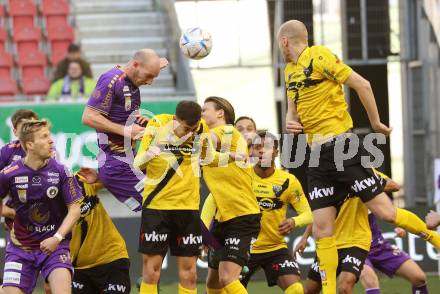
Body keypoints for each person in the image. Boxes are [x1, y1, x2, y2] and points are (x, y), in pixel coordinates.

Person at [278, 19, 440, 293]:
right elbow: (292, 113)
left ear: (284, 42)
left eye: (279, 45)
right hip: (316, 157)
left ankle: (434, 238)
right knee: (322, 230)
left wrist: (375, 123)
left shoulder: (320, 56)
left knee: (386, 212)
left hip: (342, 147)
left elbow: (362, 84)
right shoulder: (290, 72)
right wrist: (289, 122)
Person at [134, 100, 231, 294]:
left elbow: (209, 157)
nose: (190, 133)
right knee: (151, 271)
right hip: (157, 207)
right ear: (176, 119)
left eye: (193, 128)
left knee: (190, 274)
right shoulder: (157, 124)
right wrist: (149, 154)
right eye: (186, 128)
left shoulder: (200, 128)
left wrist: (234, 156)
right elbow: (137, 164)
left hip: (187, 209)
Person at [0, 120, 82, 294]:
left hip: (54, 246)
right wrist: (8, 213)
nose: (51, 140)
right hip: (20, 249)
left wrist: (57, 238)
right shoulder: (9, 174)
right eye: (44, 137)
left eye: (49, 135)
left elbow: (75, 209)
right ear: (30, 145)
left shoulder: (62, 171)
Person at [82, 48, 168, 212]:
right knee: (163, 207)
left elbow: (121, 114)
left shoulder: (133, 79)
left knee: (164, 208)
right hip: (117, 168)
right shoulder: (111, 80)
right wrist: (125, 130)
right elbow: (88, 117)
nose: (150, 82)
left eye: (154, 77)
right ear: (135, 65)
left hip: (131, 161)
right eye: (149, 76)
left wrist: (143, 125)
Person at [239, 131, 312, 293]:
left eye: (266, 147)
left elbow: (308, 214)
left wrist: (294, 221)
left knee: (296, 290)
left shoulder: (289, 181)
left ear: (276, 152)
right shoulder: (241, 177)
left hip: (275, 248)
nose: (261, 151)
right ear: (251, 151)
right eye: (257, 147)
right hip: (243, 249)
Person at [201, 96, 261, 294]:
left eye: (204, 110)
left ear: (220, 113)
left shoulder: (226, 130)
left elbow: (207, 142)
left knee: (227, 277)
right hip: (223, 218)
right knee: (213, 282)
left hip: (242, 216)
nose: (201, 114)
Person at [360, 171, 428, 294]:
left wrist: (398, 226)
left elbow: (394, 188)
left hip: (378, 245)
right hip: (354, 246)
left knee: (419, 277)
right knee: (371, 281)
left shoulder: (368, 176)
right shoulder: (339, 182)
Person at [70, 167, 131, 294]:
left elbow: (120, 177)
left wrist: (99, 176)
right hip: (79, 270)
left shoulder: (80, 181)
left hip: (112, 259)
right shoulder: (46, 208)